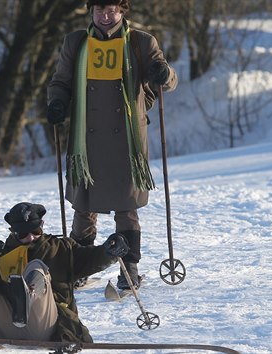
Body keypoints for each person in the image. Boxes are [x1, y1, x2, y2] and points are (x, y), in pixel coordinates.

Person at [46, 0, 178, 290]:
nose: (105, 17)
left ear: (122, 12)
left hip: (127, 140)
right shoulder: (76, 42)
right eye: (99, 11)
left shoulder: (141, 42)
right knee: (84, 203)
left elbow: (169, 81)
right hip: (86, 137)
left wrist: (162, 74)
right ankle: (80, 264)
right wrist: (57, 102)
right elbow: (61, 81)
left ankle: (128, 267)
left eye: (112, 11)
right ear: (91, 12)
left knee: (125, 204)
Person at [0, 202, 130, 343]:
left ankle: (27, 298)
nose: (30, 237)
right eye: (23, 233)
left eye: (35, 231)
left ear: (42, 226)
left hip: (46, 326)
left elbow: (92, 258)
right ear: (12, 231)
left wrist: (109, 251)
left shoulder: (62, 249)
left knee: (37, 266)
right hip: (2, 326)